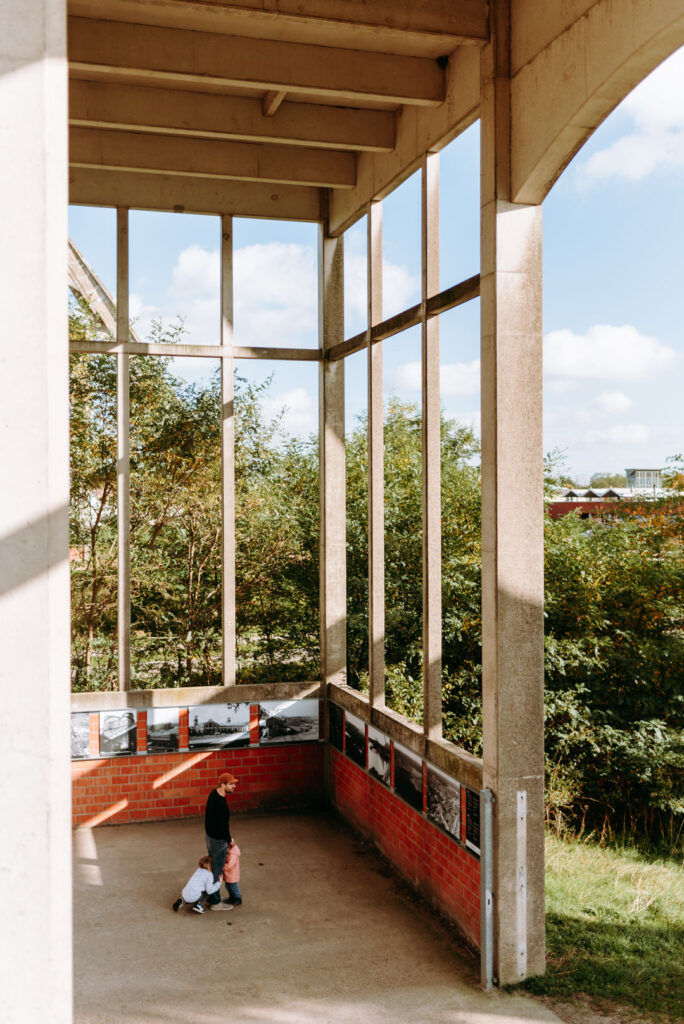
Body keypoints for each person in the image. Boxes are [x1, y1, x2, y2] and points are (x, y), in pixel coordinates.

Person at [204, 771, 237, 910]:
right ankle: (216, 902)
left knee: (213, 869)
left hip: (210, 838)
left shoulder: (213, 794)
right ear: (223, 785)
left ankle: (212, 896)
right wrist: (230, 840)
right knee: (217, 871)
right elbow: (224, 828)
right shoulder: (222, 804)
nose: (234, 787)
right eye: (231, 784)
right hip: (219, 841)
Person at [221, 839, 242, 907]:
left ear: (229, 845)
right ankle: (232, 897)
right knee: (227, 886)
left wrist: (222, 867)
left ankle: (238, 899)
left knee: (233, 887)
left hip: (232, 875)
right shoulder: (229, 851)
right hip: (229, 874)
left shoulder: (233, 855)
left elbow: (230, 865)